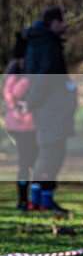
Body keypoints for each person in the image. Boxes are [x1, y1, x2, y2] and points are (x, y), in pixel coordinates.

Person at [23, 5, 77, 213]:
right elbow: (45, 77)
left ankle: (38, 198)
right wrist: (33, 102)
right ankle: (43, 200)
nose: (66, 26)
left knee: (48, 153)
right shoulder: (48, 46)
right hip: (51, 108)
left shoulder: (38, 43)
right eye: (63, 22)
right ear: (55, 22)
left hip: (48, 107)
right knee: (52, 153)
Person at [3, 32, 38, 210]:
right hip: (23, 125)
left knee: (30, 161)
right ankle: (25, 200)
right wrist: (27, 81)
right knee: (28, 161)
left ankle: (28, 199)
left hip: (23, 124)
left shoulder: (15, 69)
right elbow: (12, 94)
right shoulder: (19, 71)